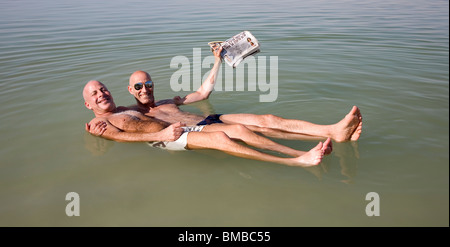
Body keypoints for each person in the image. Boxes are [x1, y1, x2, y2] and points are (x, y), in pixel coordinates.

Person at [121, 46, 362, 143]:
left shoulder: (169, 102)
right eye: (139, 86)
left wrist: (217, 62)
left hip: (213, 119)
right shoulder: (129, 113)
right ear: (131, 90)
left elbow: (203, 93)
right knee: (261, 130)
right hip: (200, 130)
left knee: (266, 119)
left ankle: (331, 130)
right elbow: (110, 117)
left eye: (148, 83)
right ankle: (331, 135)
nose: (145, 89)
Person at [83, 80, 331, 167]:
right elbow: (122, 138)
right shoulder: (100, 125)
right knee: (221, 139)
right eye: (94, 94)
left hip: (180, 130)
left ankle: (307, 147)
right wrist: (164, 135)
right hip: (164, 138)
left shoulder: (125, 108)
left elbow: (199, 94)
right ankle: (296, 161)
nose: (101, 94)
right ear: (88, 105)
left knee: (243, 128)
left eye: (103, 89)